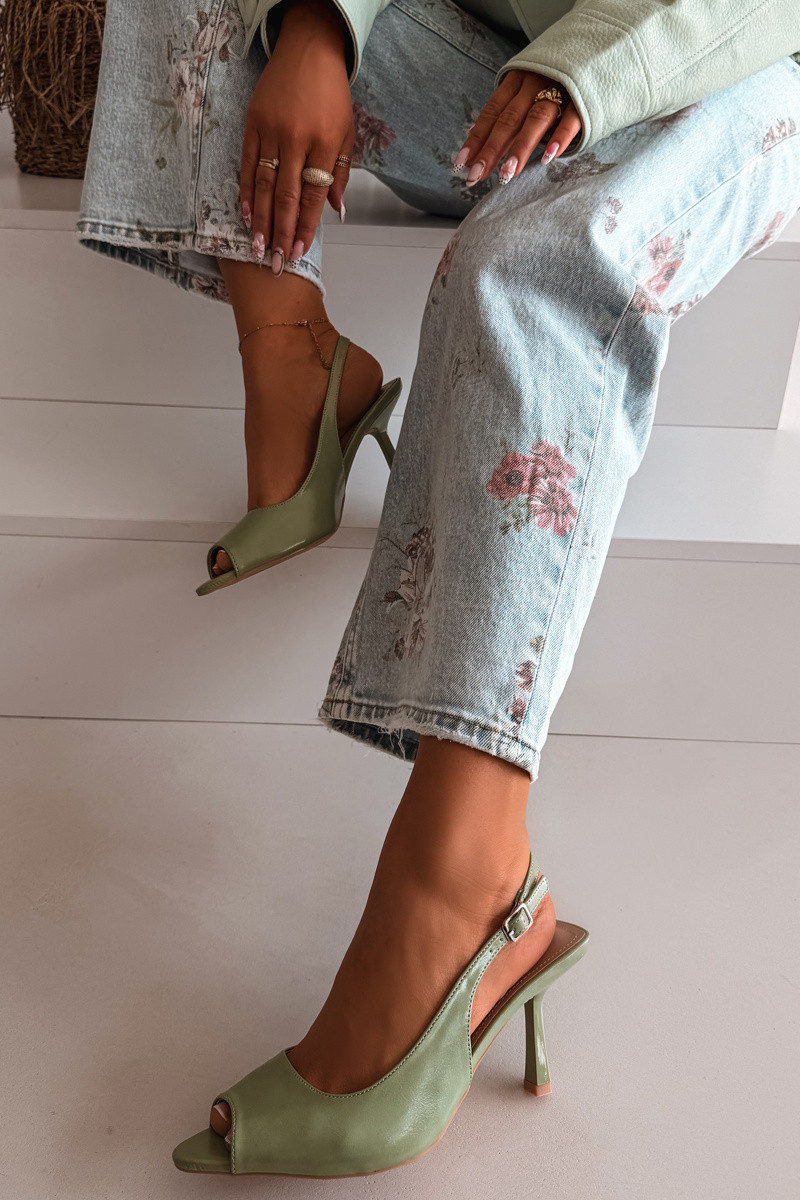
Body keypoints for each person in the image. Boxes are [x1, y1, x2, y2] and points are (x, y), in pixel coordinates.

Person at [76, 0, 800, 1178]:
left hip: (724, 57)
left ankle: (469, 873)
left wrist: (586, 69)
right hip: (498, 67)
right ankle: (294, 356)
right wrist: (320, 22)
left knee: (522, 268)